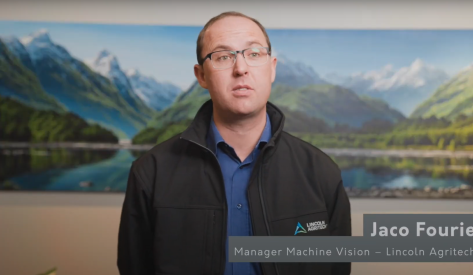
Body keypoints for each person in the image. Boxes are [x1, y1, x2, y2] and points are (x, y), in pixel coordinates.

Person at [117, 11, 351, 275]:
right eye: (223, 57)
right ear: (201, 76)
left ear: (272, 67)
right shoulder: (151, 172)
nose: (241, 69)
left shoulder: (321, 172)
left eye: (254, 54)